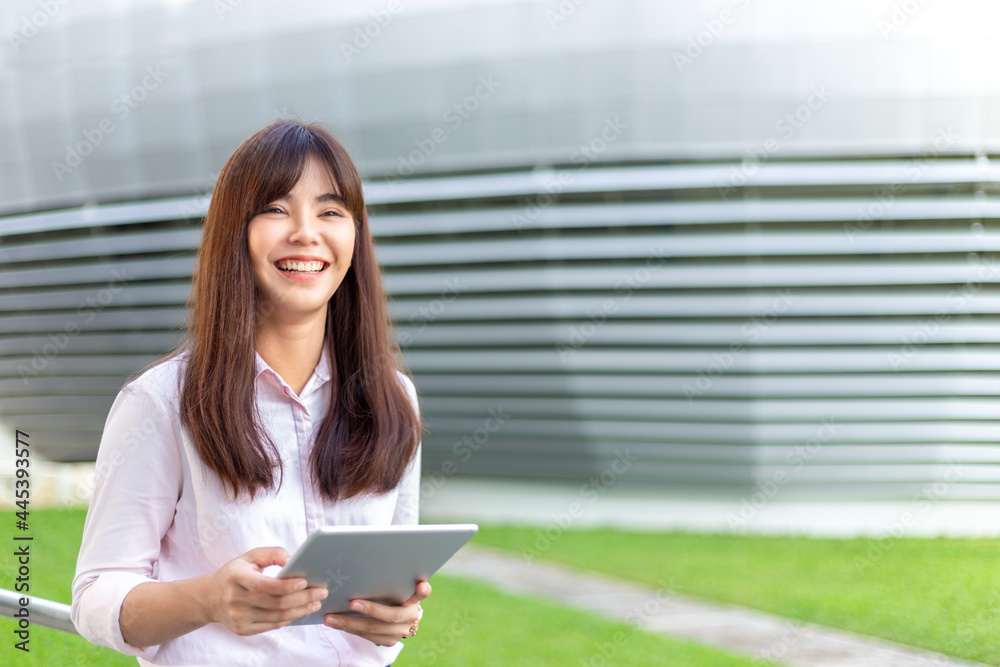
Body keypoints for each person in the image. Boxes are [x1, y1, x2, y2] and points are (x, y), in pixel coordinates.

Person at [71, 119, 428, 667]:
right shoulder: (162, 400)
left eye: (331, 212)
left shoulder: (393, 399)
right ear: (234, 232)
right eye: (276, 209)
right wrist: (208, 599)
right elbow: (95, 597)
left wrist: (396, 618)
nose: (306, 233)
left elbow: (393, 583)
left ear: (356, 236)